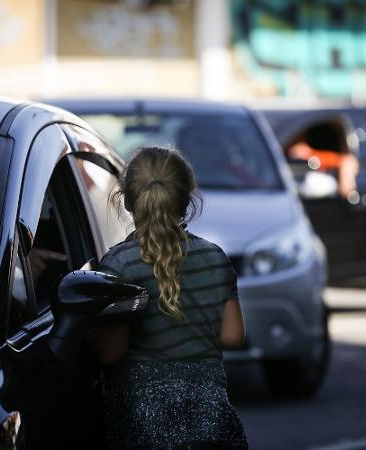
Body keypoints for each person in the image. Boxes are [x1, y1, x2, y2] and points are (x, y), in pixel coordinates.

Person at [88, 147, 249, 449]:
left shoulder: (118, 265)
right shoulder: (215, 257)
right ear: (188, 200)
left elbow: (111, 352)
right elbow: (233, 336)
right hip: (209, 418)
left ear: (126, 200)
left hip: (143, 423)